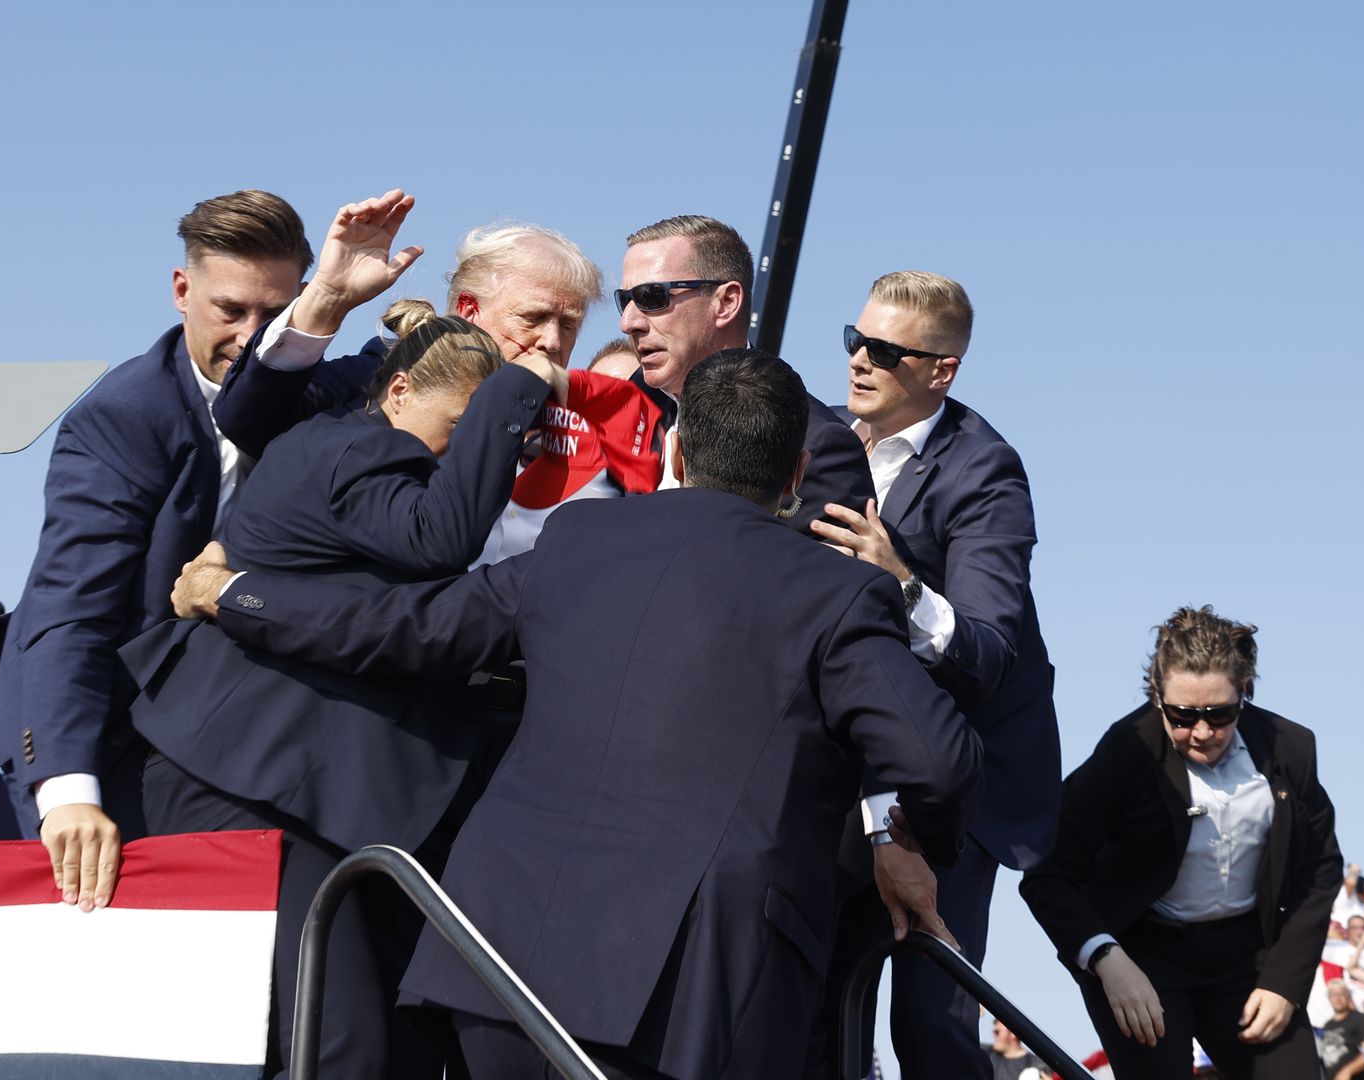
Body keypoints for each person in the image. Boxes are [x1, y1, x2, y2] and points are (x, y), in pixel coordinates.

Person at [169, 348, 985, 1080]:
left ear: (674, 451)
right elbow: (939, 759)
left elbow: (405, 631)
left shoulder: (575, 541)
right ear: (799, 472)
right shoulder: (837, 592)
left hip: (500, 966)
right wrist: (915, 842)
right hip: (688, 995)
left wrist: (236, 593)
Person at [124, 305, 562, 1080]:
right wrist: (518, 387)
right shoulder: (359, 449)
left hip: (300, 788)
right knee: (336, 1049)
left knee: (355, 1045)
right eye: (458, 421)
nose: (467, 449)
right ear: (396, 393)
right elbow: (438, 540)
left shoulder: (349, 444)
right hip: (266, 787)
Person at [0, 187, 419, 910]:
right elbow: (69, 612)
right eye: (230, 311)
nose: (251, 336)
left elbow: (409, 373)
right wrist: (66, 790)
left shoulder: (320, 389)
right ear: (182, 291)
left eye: (273, 314)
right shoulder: (121, 420)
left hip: (240, 740)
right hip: (113, 742)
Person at [811, 269, 1062, 1077]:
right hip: (852, 765)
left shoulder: (985, 472)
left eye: (885, 351)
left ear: (941, 370)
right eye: (856, 340)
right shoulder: (818, 442)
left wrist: (902, 582)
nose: (859, 361)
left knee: (929, 1023)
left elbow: (986, 652)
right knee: (814, 996)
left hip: (957, 779)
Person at [1020, 605, 1343, 1079]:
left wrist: (1286, 983)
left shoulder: (1291, 749)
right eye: (1183, 715)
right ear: (1157, 695)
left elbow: (1321, 868)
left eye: (1220, 713)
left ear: (1245, 691)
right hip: (1142, 960)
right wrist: (1106, 958)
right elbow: (1046, 873)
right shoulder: (1125, 751)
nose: (1202, 732)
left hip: (1247, 960)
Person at [615, 214, 874, 537]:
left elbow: (816, 581)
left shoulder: (816, 443)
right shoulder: (625, 408)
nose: (628, 322)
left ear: (726, 302)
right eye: (624, 301)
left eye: (652, 297)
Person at [437, 224, 666, 568]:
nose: (553, 342)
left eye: (569, 324)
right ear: (468, 312)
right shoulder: (397, 410)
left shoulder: (605, 443)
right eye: (533, 318)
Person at [1320, 978, 1364, 1080]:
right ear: (1329, 998)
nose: (1338, 998)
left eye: (1341, 994)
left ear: (1348, 996)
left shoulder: (1361, 1019)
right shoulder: (1327, 1025)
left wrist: (1347, 1071)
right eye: (1333, 994)